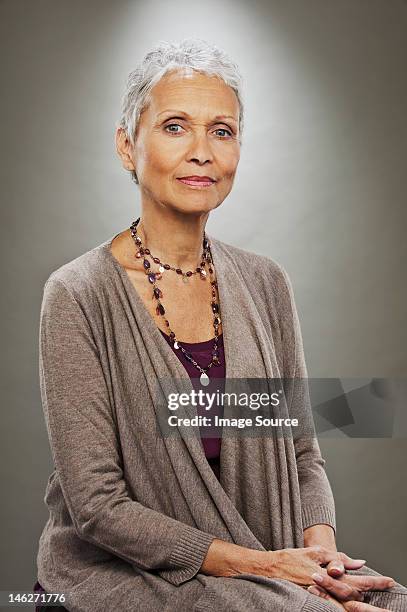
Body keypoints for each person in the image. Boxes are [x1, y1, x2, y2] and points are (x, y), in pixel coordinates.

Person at [34, 38, 407, 612]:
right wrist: (272, 569)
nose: (202, 152)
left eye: (222, 131)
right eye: (176, 126)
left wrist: (321, 557)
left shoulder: (266, 282)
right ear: (127, 147)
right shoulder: (78, 294)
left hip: (264, 557)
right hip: (132, 570)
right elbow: (98, 507)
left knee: (391, 602)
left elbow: (304, 454)